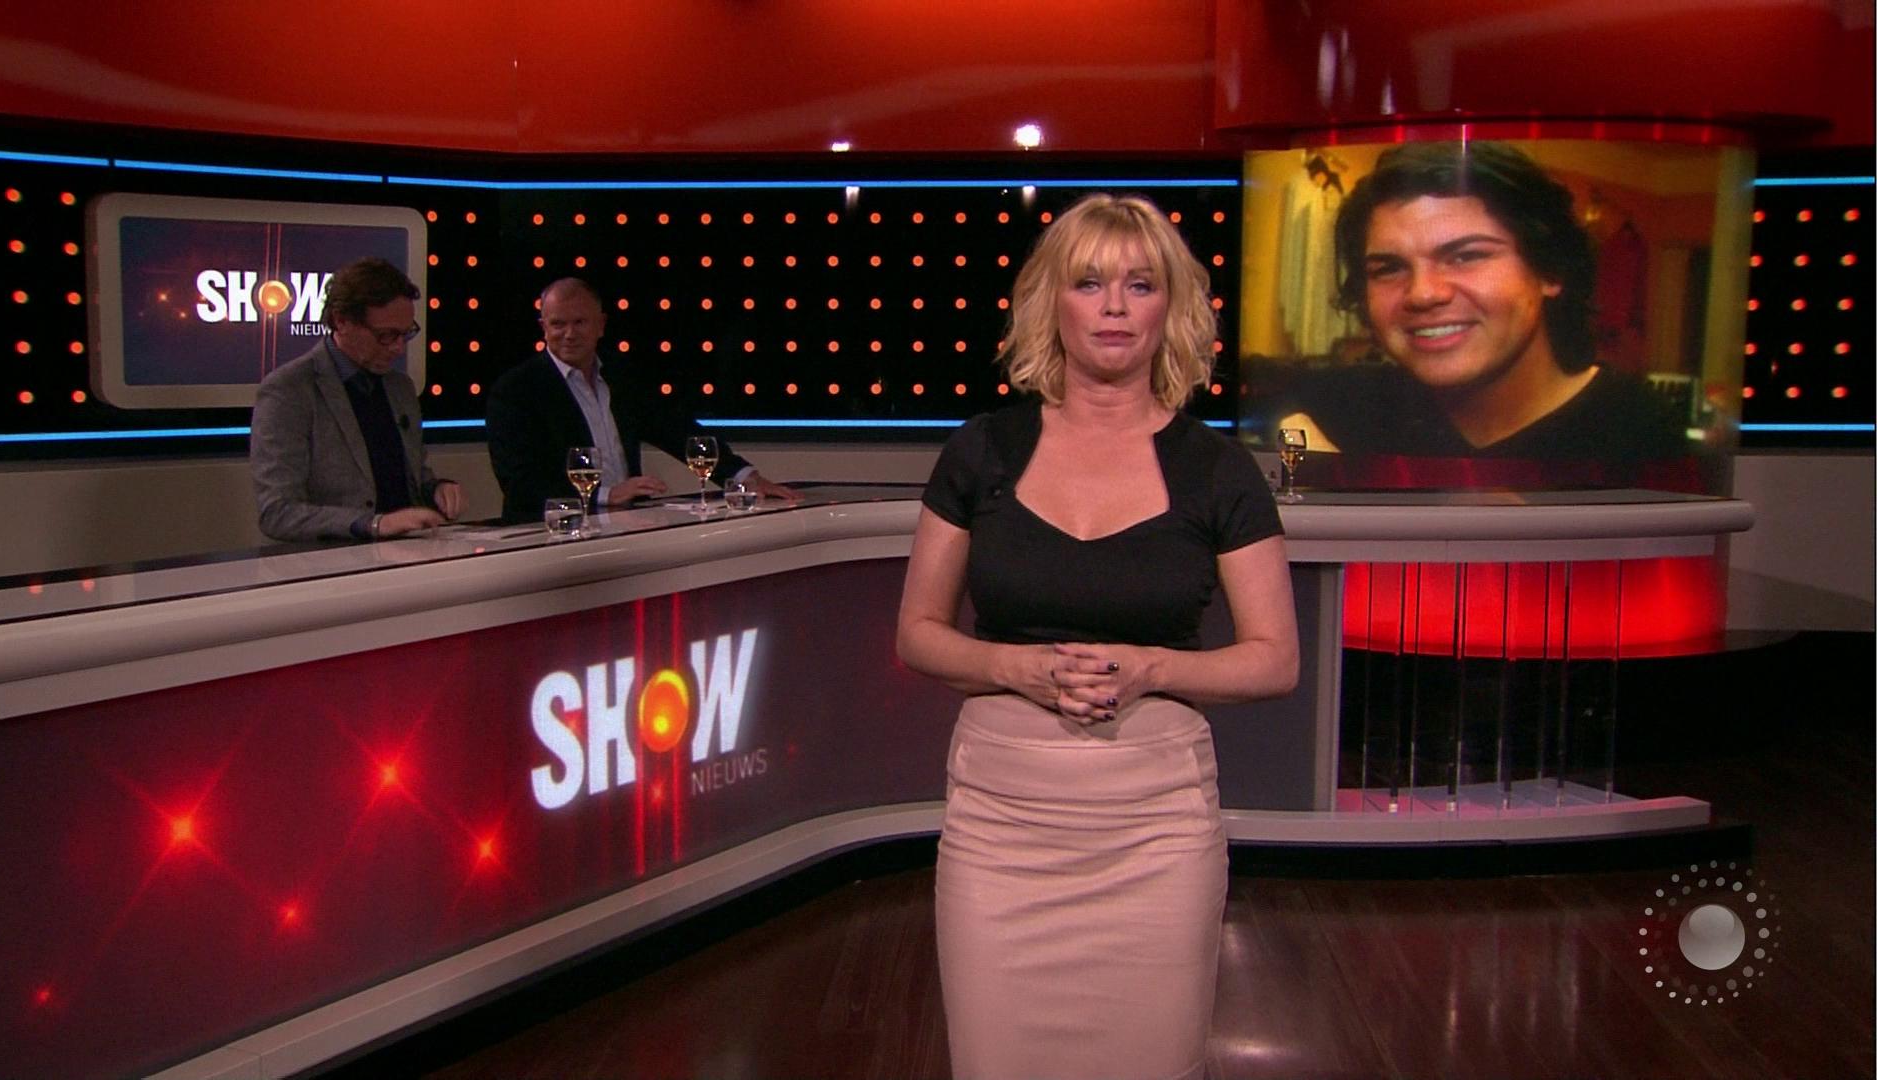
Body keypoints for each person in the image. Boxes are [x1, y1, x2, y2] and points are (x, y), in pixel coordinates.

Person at [896, 194, 1299, 1079]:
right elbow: (918, 634)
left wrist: (1154, 668)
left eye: (1140, 285)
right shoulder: (980, 452)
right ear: (1052, 303)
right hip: (1002, 826)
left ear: (1171, 308)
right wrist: (1014, 667)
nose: (1114, 306)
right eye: (1089, 283)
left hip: (1154, 832)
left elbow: (1275, 660)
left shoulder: (1218, 470)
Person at [1279, 141, 1690, 462]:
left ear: (1549, 270)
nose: (1423, 293)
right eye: (1389, 268)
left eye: (1466, 256)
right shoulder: (1338, 410)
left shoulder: (1639, 432)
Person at [484, 278, 796, 522]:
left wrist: (743, 476)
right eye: (557, 324)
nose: (569, 334)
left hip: (626, 526)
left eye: (579, 323)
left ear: (601, 325)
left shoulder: (622, 375)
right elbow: (521, 483)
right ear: (543, 327)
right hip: (548, 536)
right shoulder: (514, 391)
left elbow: (677, 429)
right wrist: (607, 495)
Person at [250, 257, 464, 542]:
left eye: (405, 334)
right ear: (342, 321)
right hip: (333, 563)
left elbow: (411, 480)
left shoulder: (400, 388)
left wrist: (436, 490)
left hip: (411, 556)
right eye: (386, 335)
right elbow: (278, 512)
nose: (398, 348)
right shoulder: (289, 390)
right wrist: (372, 524)